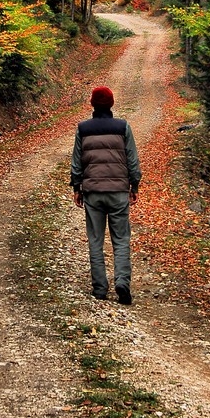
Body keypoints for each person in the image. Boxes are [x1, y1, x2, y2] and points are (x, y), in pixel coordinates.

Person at [70, 86, 141, 304]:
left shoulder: (83, 129)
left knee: (95, 240)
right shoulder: (123, 127)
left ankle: (100, 288)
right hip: (118, 191)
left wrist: (77, 187)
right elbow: (132, 159)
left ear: (92, 104)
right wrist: (134, 185)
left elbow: (77, 161)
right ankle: (122, 282)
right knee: (121, 239)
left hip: (93, 193)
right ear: (111, 104)